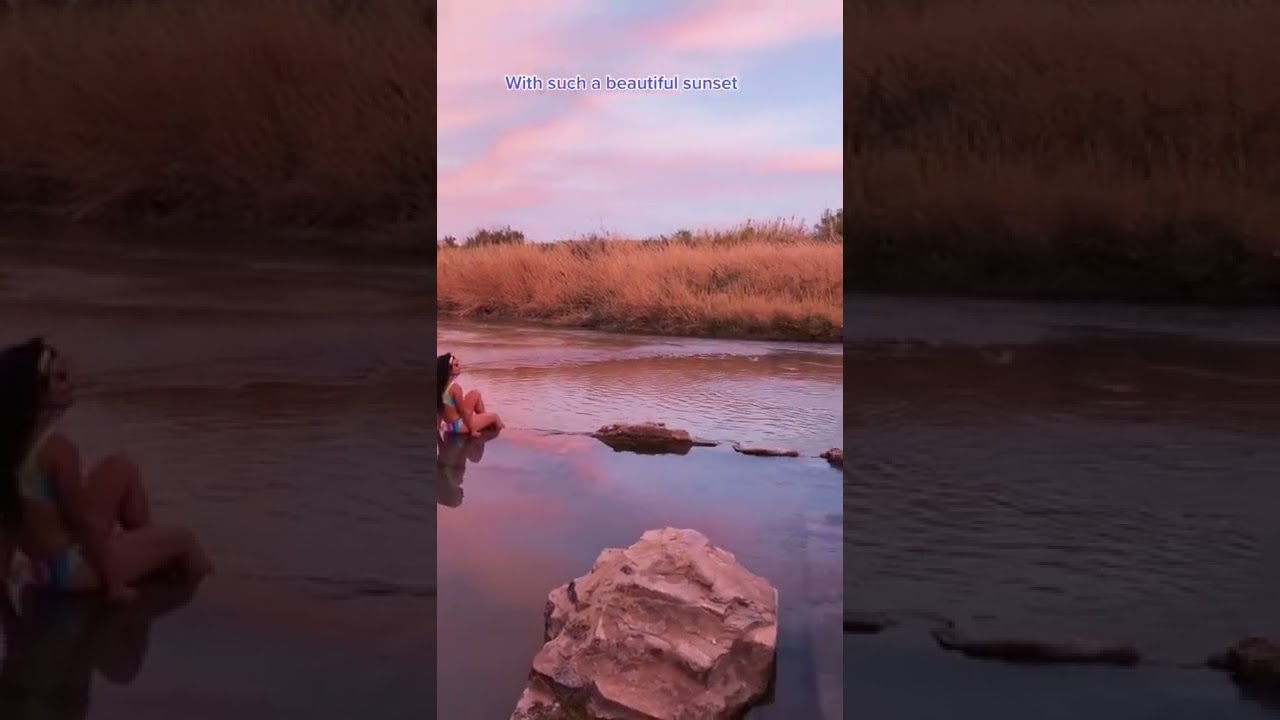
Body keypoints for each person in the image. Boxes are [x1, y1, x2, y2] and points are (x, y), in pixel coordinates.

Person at [0, 337, 213, 604]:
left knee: (121, 468)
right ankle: (209, 597)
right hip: (71, 571)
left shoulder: (9, 445)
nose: (71, 384)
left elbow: (7, 518)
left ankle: (151, 556)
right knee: (183, 539)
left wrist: (3, 572)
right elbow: (82, 523)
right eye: (61, 378)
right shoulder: (56, 449)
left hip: (40, 568)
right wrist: (113, 583)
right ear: (37, 394)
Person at [436, 353, 504, 437]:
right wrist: (472, 430)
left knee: (475, 394)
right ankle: (504, 434)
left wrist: (437, 427)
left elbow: (439, 409)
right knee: (494, 417)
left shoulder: (439, 386)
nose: (459, 367)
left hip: (449, 426)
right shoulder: (455, 388)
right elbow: (462, 412)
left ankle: (486, 423)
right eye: (456, 365)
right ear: (448, 370)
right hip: (459, 427)